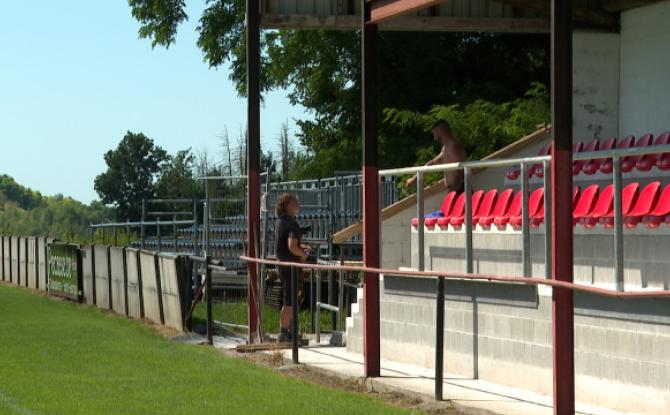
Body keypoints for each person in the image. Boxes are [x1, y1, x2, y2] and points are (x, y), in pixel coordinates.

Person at [274, 193, 311, 343]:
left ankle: (288, 331)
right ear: (288, 204)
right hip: (290, 267)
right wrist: (306, 253)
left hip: (282, 265)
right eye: (295, 202)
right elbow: (292, 247)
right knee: (291, 300)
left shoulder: (279, 222)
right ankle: (285, 333)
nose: (298, 204)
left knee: (291, 299)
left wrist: (305, 248)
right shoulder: (292, 224)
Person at [405, 119, 467, 193]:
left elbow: (460, 173)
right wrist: (414, 179)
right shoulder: (446, 147)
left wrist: (451, 193)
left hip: (459, 190)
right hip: (455, 190)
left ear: (440, 131)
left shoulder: (453, 146)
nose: (433, 134)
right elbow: (432, 163)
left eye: (434, 132)